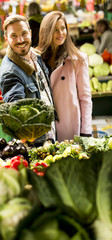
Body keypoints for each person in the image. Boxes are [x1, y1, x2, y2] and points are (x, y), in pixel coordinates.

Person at [0, 14, 56, 144]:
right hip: (35, 141)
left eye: (24, 33)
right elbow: (17, 113)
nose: (20, 40)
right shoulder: (10, 72)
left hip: (50, 131)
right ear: (6, 39)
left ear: (30, 33)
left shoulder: (35, 56)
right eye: (13, 36)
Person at [37, 11, 92, 142]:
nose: (61, 33)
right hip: (45, 129)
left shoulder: (78, 59)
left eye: (63, 28)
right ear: (47, 32)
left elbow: (85, 98)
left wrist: (86, 132)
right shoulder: (36, 60)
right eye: (55, 30)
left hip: (70, 127)